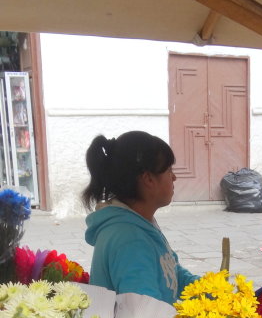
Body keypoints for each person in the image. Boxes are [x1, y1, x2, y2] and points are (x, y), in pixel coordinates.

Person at [82, 130, 196, 303]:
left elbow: (172, 272)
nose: (174, 177)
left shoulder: (140, 222)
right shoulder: (130, 241)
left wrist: (213, 290)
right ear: (148, 179)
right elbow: (147, 316)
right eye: (168, 170)